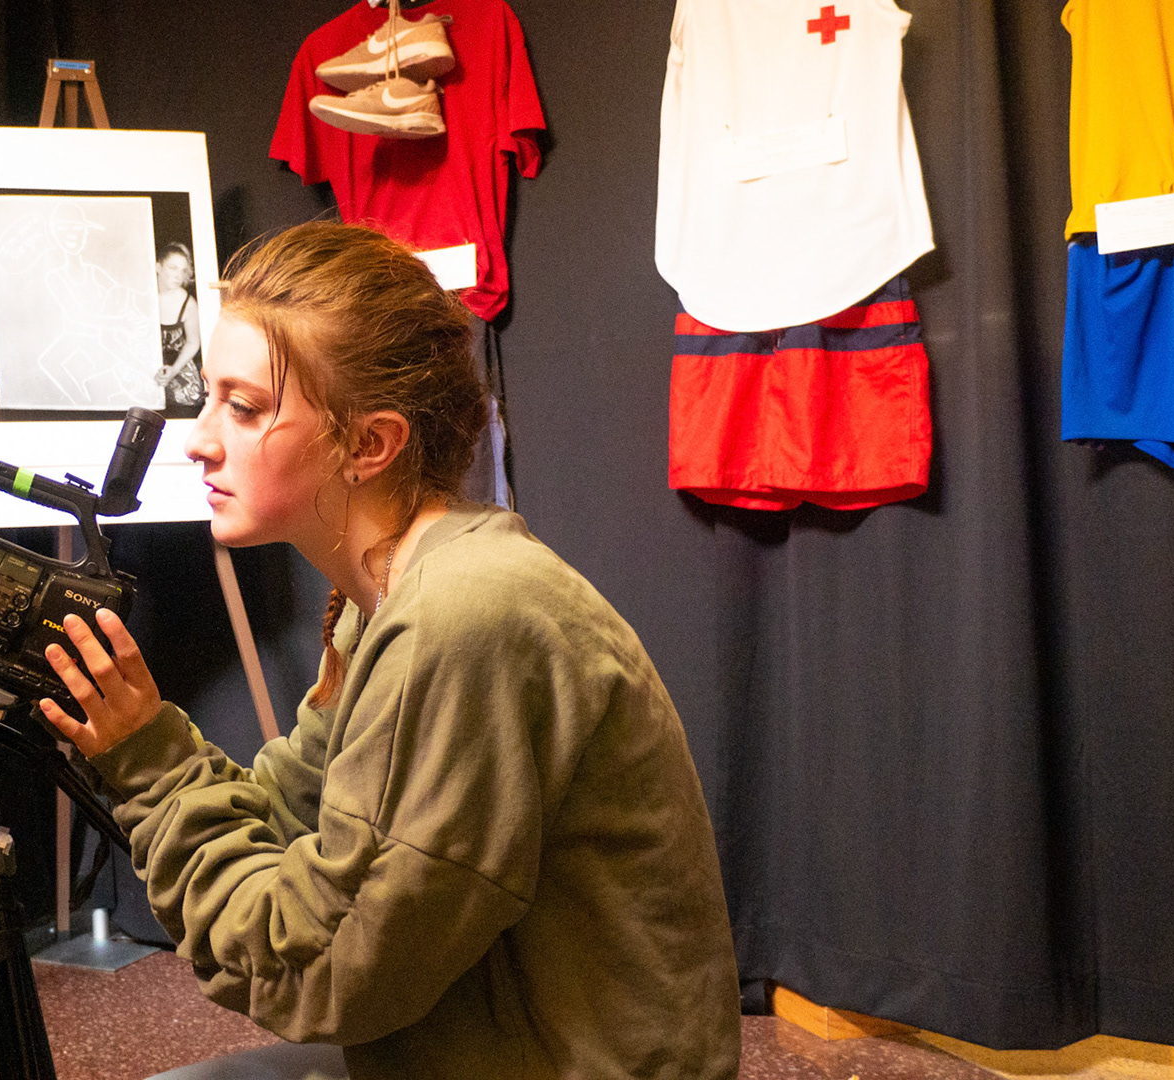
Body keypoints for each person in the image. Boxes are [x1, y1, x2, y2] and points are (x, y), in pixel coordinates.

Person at [39, 221, 741, 1080]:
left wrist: (151, 761)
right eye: (207, 398)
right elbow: (286, 814)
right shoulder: (390, 591)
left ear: (369, 444)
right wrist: (138, 745)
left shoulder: (463, 616)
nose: (199, 440)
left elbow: (322, 972)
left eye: (244, 407)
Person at [155, 241, 205, 410]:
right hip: (149, 362)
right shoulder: (144, 295)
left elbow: (193, 342)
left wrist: (174, 370)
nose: (178, 276)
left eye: (183, 271)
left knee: (189, 397)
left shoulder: (188, 303)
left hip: (177, 363)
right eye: (173, 268)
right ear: (158, 267)